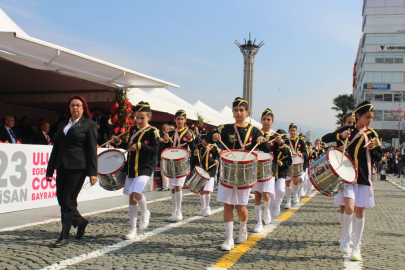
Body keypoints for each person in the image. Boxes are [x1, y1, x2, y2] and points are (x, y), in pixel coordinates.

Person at [322, 100, 382, 261]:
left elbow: (378, 157)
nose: (370, 120)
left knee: (360, 211)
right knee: (349, 207)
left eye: (371, 118)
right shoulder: (347, 130)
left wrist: (372, 147)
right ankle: (346, 238)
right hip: (347, 177)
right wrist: (339, 135)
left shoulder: (372, 135)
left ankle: (356, 247)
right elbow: (325, 138)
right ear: (358, 116)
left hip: (362, 178)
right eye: (367, 117)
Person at [211, 97, 271, 251]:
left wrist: (262, 141)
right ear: (232, 112)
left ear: (247, 112)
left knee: (240, 207)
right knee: (228, 205)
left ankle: (243, 226)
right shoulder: (225, 128)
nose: (239, 113)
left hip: (245, 172)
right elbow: (207, 136)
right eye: (236, 110)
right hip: (227, 171)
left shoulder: (254, 130)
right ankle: (229, 238)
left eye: (241, 110)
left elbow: (268, 150)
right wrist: (214, 136)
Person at [46, 95, 98, 248]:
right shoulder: (63, 124)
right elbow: (56, 148)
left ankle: (64, 236)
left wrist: (92, 172)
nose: (75, 108)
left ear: (83, 108)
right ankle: (81, 222)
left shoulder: (90, 125)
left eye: (78, 105)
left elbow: (91, 149)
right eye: (72, 105)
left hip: (78, 167)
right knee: (62, 200)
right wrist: (49, 170)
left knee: (68, 200)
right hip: (62, 166)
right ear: (68, 108)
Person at [112, 101, 159, 240]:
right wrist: (118, 142)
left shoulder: (153, 131)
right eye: (137, 117)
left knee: (136, 192)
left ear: (149, 117)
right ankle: (133, 229)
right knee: (131, 197)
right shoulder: (133, 129)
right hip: (132, 167)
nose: (139, 120)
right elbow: (129, 145)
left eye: (142, 118)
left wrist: (140, 146)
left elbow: (155, 150)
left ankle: (145, 212)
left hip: (145, 167)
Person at [251, 109, 283, 232]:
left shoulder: (275, 136)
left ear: (272, 121)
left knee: (266, 194)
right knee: (258, 194)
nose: (266, 121)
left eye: (268, 119)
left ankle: (267, 212)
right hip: (256, 168)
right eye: (264, 119)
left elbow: (275, 149)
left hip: (269, 169)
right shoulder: (256, 134)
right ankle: (259, 222)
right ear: (261, 120)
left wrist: (280, 143)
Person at [328, 111, 357, 245]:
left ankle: (350, 234)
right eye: (349, 123)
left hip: (355, 175)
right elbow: (325, 138)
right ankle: (344, 234)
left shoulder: (358, 135)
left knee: (353, 207)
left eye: (353, 122)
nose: (351, 125)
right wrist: (340, 136)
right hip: (342, 175)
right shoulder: (339, 135)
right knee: (342, 206)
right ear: (343, 124)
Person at [163, 110, 195, 222]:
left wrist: (191, 139)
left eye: (182, 119)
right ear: (175, 120)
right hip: (171, 162)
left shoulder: (188, 132)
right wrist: (166, 141)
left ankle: (179, 211)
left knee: (178, 186)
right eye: (178, 119)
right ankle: (174, 209)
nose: (180, 121)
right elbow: (166, 147)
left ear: (185, 120)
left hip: (182, 162)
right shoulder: (171, 133)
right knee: (172, 187)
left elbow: (193, 147)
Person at [193, 130, 220, 217]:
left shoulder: (214, 148)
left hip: (210, 171)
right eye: (204, 140)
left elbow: (219, 156)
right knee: (201, 190)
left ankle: (208, 207)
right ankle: (203, 208)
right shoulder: (198, 147)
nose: (205, 141)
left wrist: (217, 160)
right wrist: (194, 154)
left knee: (207, 190)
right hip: (201, 171)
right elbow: (194, 160)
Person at [285, 123, 308, 208]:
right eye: (291, 130)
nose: (293, 132)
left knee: (295, 179)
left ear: (297, 131)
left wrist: (301, 153)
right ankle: (288, 201)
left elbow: (305, 152)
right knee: (287, 181)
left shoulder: (300, 141)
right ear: (289, 131)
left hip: (297, 163)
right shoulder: (286, 141)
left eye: (294, 130)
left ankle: (295, 195)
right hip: (288, 163)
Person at [273, 129, 293, 217]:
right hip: (272, 172)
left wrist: (281, 163)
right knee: (271, 193)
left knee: (280, 189)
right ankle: (271, 208)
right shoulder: (272, 147)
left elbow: (289, 162)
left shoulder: (287, 149)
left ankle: (277, 205)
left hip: (282, 172)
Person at [158, 124, 170, 191]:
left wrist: (164, 140)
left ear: (167, 129)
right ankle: (166, 185)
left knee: (165, 171)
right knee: (163, 171)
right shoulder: (161, 135)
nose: (163, 130)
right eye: (162, 128)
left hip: (167, 155)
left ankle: (165, 186)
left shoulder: (169, 136)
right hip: (162, 155)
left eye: (164, 128)